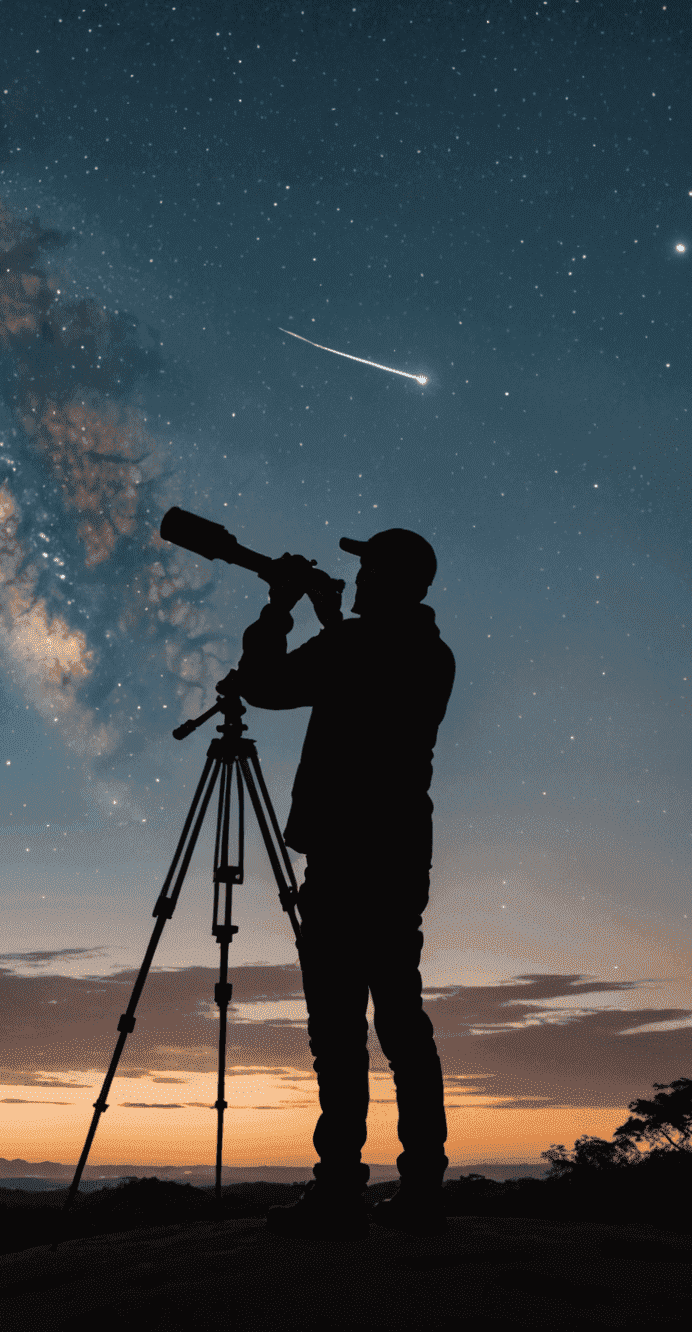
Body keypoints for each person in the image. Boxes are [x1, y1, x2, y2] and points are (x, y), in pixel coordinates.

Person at [230, 527, 456, 1240]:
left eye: (367, 571)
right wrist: (332, 622)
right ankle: (422, 1187)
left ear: (391, 580)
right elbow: (366, 681)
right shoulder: (430, 653)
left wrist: (279, 607)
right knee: (403, 1025)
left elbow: (265, 685)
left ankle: (338, 1192)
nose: (355, 578)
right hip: (397, 860)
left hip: (342, 860)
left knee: (337, 1029)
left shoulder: (354, 647)